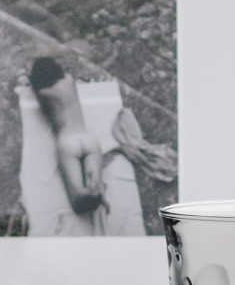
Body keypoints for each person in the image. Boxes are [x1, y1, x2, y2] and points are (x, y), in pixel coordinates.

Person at [14, 54, 154, 236]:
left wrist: (27, 76)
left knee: (77, 201)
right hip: (89, 140)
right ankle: (96, 190)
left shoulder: (43, 93)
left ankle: (88, 194)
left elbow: (29, 83)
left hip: (67, 142)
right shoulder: (69, 80)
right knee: (94, 184)